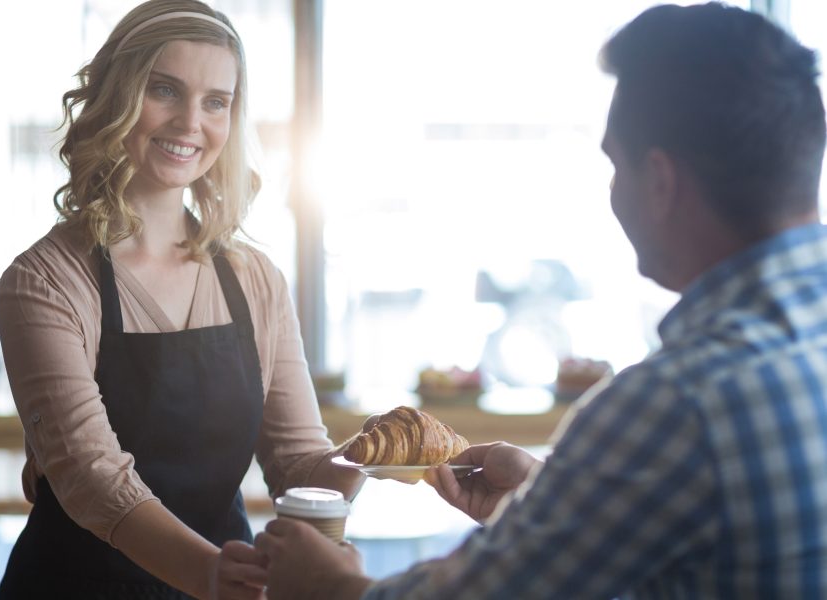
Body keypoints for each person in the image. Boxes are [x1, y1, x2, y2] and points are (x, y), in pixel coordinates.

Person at [253, 3, 827, 598]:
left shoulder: (674, 402)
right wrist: (549, 500)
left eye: (613, 165)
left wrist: (331, 587)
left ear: (659, 181)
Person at [0, 1, 364, 598]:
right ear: (118, 97)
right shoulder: (45, 281)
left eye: (216, 101)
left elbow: (299, 465)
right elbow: (92, 478)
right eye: (165, 90)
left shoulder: (255, 278)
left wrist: (379, 457)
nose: (192, 122)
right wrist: (209, 573)